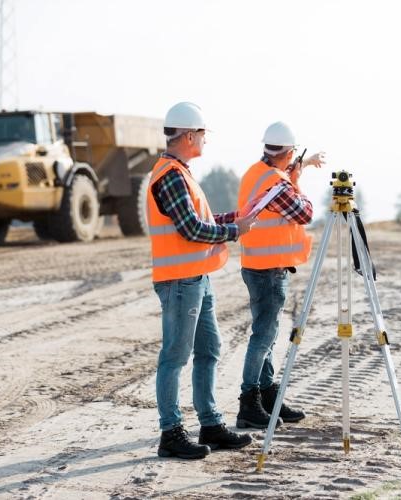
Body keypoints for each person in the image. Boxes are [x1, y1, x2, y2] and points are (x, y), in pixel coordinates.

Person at [149, 102, 258, 459]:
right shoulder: (170, 176)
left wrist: (235, 218)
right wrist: (232, 230)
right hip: (180, 282)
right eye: (204, 135)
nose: (206, 141)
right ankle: (171, 433)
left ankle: (209, 423)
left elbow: (201, 219)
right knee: (175, 357)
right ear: (190, 135)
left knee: (209, 350)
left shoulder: (181, 173)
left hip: (196, 279)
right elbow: (192, 228)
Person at [235, 121, 325, 429]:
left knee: (267, 336)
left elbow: (281, 180)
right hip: (269, 270)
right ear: (287, 152)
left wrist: (301, 166)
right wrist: (298, 178)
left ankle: (268, 396)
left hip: (254, 264)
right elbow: (306, 212)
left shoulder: (253, 173)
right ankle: (249, 402)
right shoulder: (278, 182)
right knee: (263, 337)